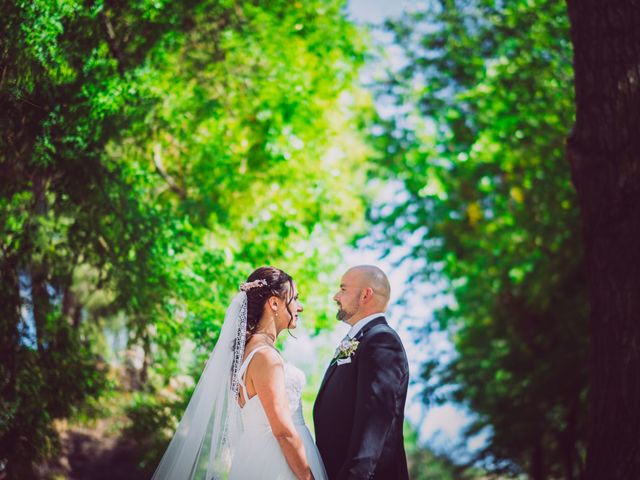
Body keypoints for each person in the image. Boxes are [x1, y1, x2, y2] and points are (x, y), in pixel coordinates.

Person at [152, 266, 327, 480]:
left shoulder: (246, 354)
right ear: (274, 303)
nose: (299, 307)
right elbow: (283, 431)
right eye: (295, 299)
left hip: (254, 456)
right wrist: (308, 477)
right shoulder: (266, 358)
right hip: (279, 465)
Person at [313, 265, 409, 480]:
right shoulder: (361, 339)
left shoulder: (381, 340)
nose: (335, 296)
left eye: (343, 289)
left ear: (366, 294)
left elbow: (372, 427)